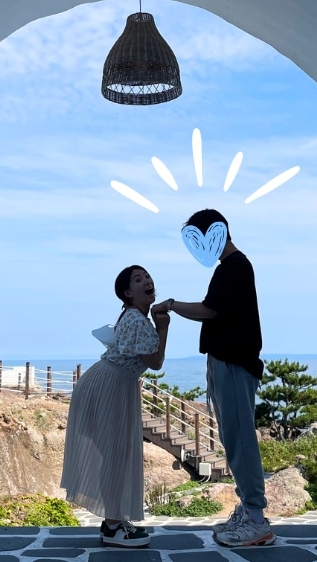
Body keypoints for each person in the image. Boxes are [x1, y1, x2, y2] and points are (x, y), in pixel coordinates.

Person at [152, 209, 274, 547]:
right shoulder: (229, 268)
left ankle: (257, 518)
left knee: (240, 439)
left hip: (234, 362)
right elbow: (214, 310)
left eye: (196, 240)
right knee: (232, 437)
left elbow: (209, 310)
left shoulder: (235, 267)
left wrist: (173, 305)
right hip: (224, 361)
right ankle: (249, 511)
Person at [61, 265, 170, 548]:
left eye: (147, 276)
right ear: (127, 293)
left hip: (112, 382)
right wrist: (163, 326)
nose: (147, 280)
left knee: (115, 454)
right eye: (138, 279)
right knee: (115, 453)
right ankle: (112, 525)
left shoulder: (133, 317)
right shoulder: (136, 319)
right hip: (111, 384)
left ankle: (113, 520)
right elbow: (155, 362)